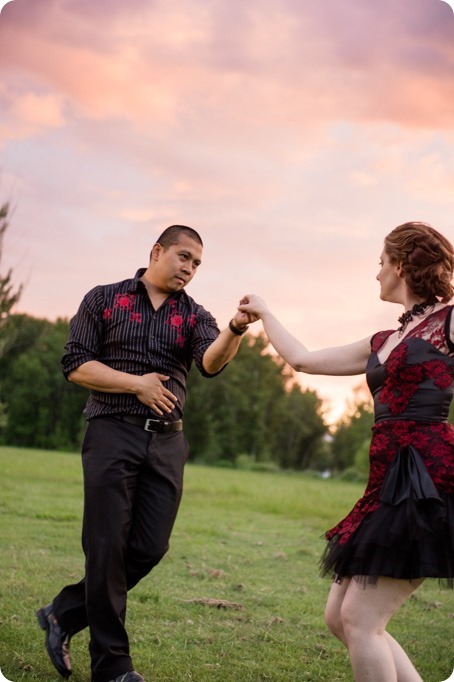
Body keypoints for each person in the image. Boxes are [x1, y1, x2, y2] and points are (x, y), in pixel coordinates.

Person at [36, 225, 256, 682]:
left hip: (168, 441)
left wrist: (235, 328)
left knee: (150, 547)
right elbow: (75, 363)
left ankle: (64, 611)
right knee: (106, 547)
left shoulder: (195, 315)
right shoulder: (103, 298)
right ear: (157, 251)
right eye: (183, 256)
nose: (189, 268)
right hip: (111, 431)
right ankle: (114, 668)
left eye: (197, 263)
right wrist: (137, 383)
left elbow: (211, 364)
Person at [239, 221, 454, 682]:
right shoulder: (381, 341)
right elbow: (303, 359)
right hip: (384, 485)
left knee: (361, 620)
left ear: (399, 265)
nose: (376, 273)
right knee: (340, 617)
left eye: (380, 263)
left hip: (425, 482)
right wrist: (265, 312)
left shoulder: (450, 320)